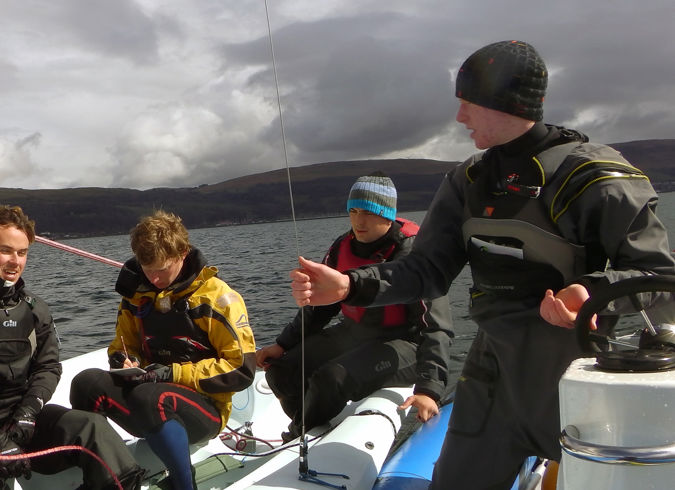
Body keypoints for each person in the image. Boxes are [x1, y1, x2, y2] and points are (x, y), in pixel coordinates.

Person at [288, 40, 675, 489]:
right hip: (491, 374)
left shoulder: (596, 178)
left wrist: (590, 291)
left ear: (505, 102)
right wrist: (350, 287)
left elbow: (659, 278)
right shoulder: (467, 180)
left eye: (468, 103)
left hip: (573, 375)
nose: (460, 117)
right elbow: (428, 269)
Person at [0, 205, 144, 490]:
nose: (15, 261)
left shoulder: (33, 308)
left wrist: (29, 412)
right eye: (6, 251)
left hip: (21, 420)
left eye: (22, 253)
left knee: (92, 427)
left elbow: (48, 366)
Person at [256, 173, 453, 441]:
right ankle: (312, 426)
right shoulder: (341, 248)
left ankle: (298, 436)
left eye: (370, 212)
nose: (359, 221)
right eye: (354, 211)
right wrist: (282, 344)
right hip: (357, 333)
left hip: (407, 343)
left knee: (331, 379)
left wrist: (429, 388)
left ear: (388, 214)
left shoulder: (414, 254)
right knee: (282, 371)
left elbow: (437, 326)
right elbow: (320, 308)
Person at [70, 210, 256, 490]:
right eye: (148, 270)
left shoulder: (218, 298)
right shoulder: (136, 297)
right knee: (85, 383)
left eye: (162, 269)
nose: (155, 279)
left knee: (150, 397)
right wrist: (123, 359)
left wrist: (171, 373)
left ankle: (184, 484)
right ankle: (108, 476)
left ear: (183, 253)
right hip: (149, 393)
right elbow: (123, 344)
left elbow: (240, 369)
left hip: (204, 410)